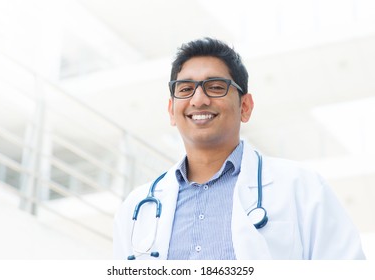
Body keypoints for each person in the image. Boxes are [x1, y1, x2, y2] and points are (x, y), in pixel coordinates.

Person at [113, 37, 366, 260]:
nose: (198, 100)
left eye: (215, 87)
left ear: (245, 107)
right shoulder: (137, 207)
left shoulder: (302, 188)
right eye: (186, 89)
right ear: (171, 110)